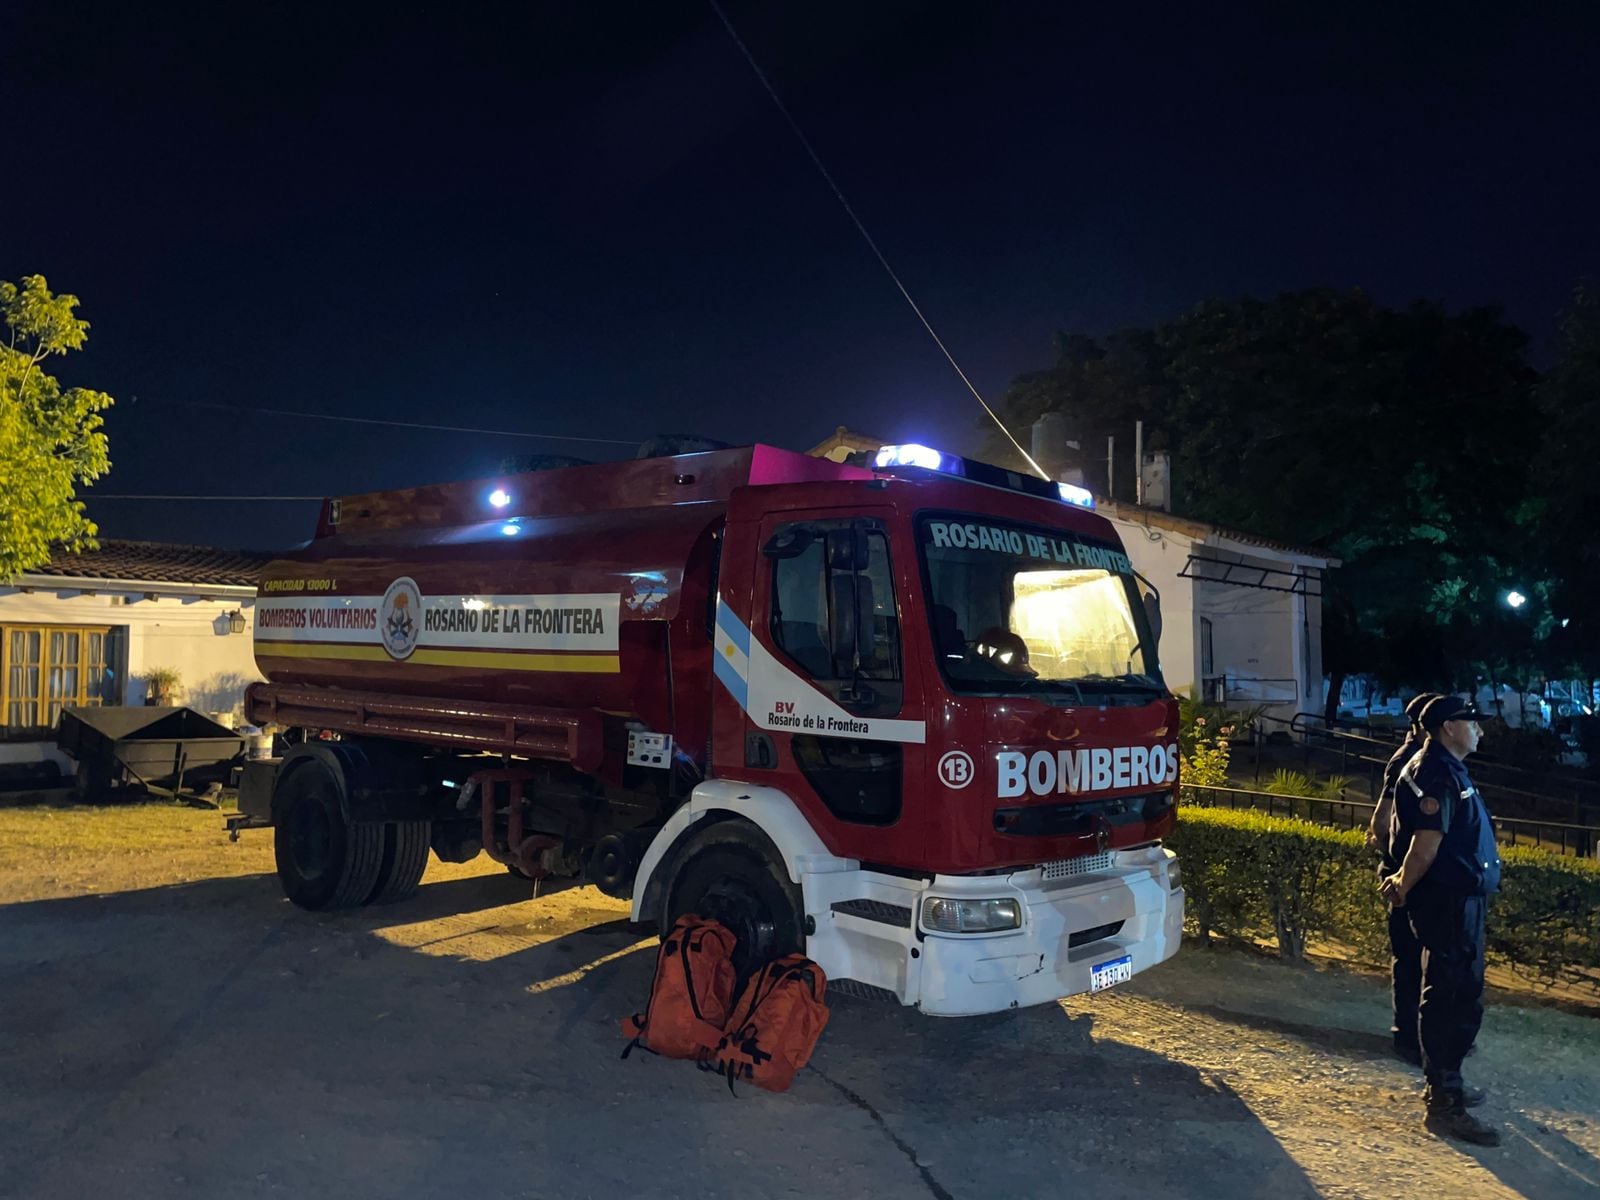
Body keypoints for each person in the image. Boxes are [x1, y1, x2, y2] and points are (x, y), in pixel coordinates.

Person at [1380, 695, 1502, 1147]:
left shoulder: (1445, 767)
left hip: (1460, 900)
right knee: (1450, 996)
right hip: (1448, 902)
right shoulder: (1434, 772)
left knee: (1460, 993)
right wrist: (1403, 882)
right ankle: (1443, 1099)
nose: (1480, 730)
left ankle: (1449, 1084)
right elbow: (1425, 845)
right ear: (1449, 726)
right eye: (1473, 723)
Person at [1366, 692, 1439, 1067]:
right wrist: (1397, 867)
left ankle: (1421, 1037)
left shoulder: (1420, 759)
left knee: (1417, 960)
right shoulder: (1411, 761)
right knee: (1410, 960)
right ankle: (1408, 1037)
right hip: (1405, 872)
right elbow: (1382, 818)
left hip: (1407, 871)